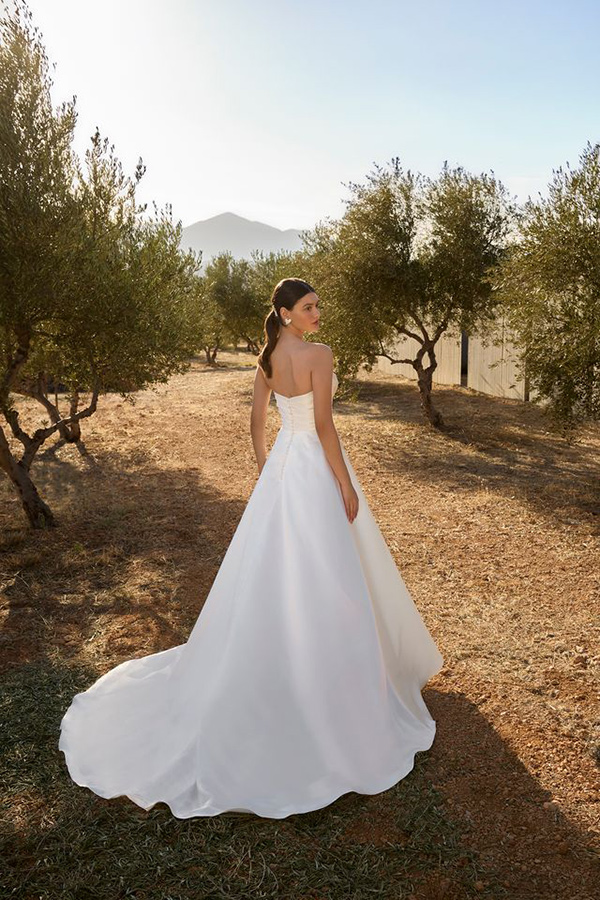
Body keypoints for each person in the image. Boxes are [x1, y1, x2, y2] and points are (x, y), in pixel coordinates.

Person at [58, 277, 444, 820]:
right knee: (327, 568)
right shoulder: (319, 355)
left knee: (279, 568)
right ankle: (332, 672)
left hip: (285, 466)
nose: (317, 313)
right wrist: (344, 482)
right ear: (285, 313)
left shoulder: (266, 360)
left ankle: (294, 657)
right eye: (308, 307)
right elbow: (325, 427)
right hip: (313, 468)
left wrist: (268, 469)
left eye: (317, 306)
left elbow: (257, 424)